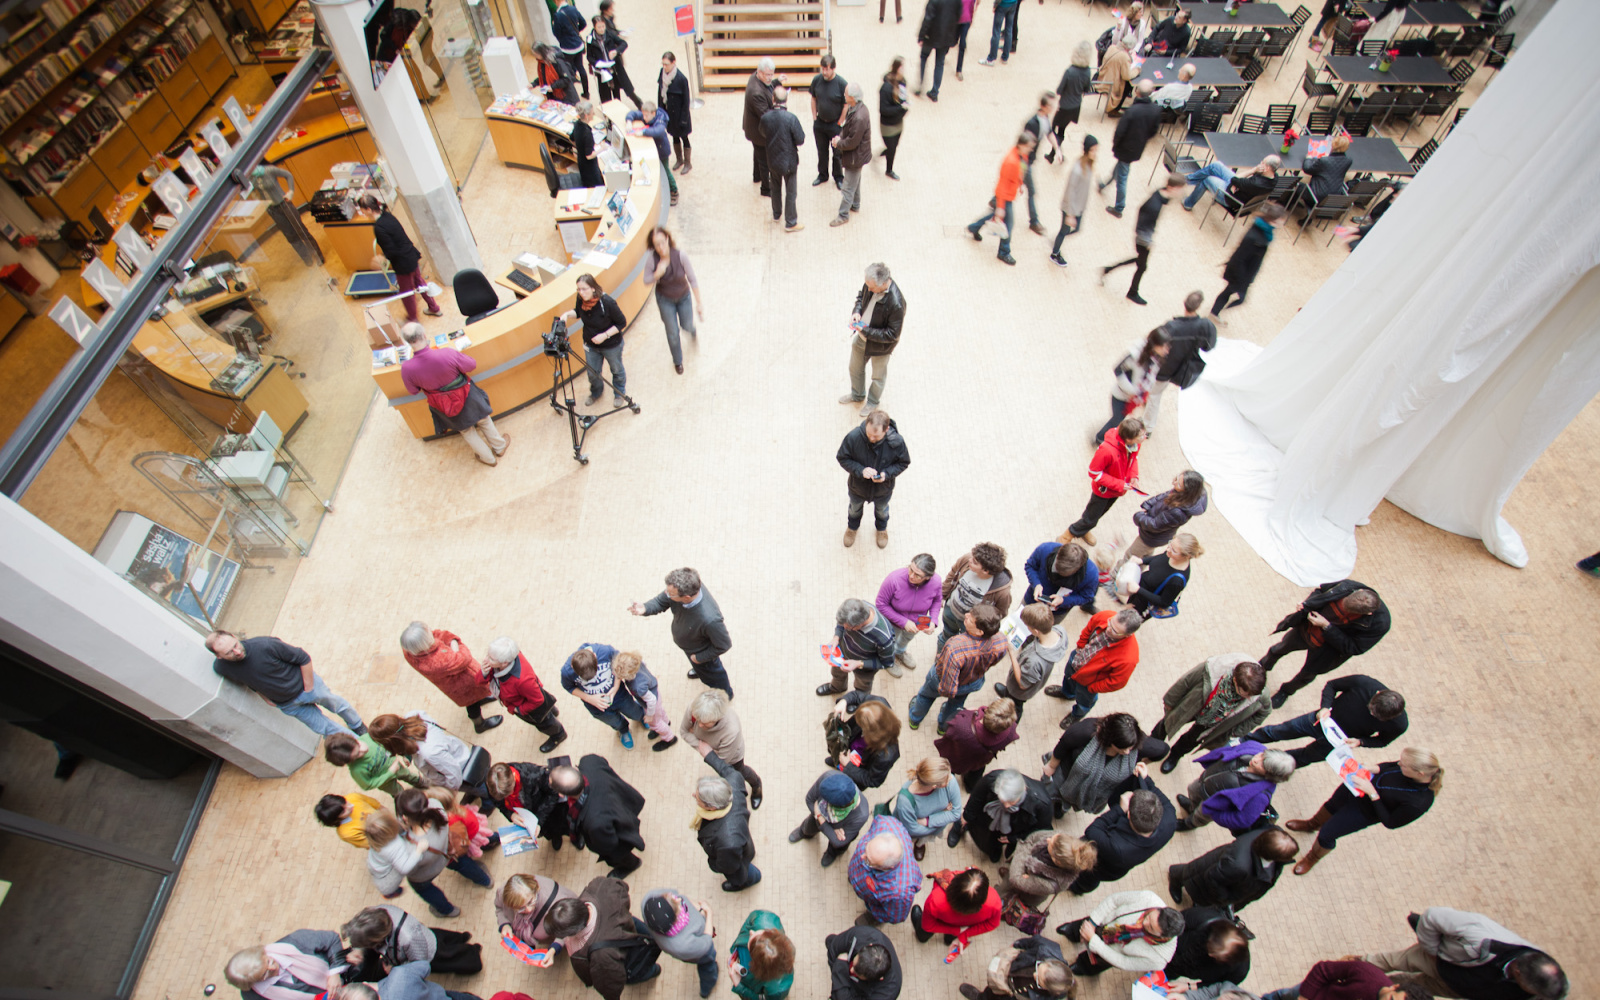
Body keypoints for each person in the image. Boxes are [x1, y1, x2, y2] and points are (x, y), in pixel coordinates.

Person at [1286, 747, 1442, 876]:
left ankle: (1312, 858)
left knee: (1328, 833)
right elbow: (1390, 766)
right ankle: (1312, 824)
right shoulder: (1408, 766)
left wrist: (1372, 793)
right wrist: (1373, 768)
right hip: (1359, 785)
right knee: (1332, 805)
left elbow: (1391, 822)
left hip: (1365, 811)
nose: (1399, 763)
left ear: (1419, 774)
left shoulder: (1419, 803)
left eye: (1404, 765)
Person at [1361, 907, 1568, 1000]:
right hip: (1437, 959)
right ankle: (1350, 970)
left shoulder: (1542, 988)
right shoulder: (1481, 935)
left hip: (1455, 987)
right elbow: (1433, 917)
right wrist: (1432, 950)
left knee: (1402, 989)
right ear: (1519, 972)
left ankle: (1366, 992)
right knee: (1383, 962)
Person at [207, 631, 364, 739]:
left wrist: (309, 689)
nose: (237, 652)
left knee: (337, 705)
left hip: (308, 688)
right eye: (229, 652)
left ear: (234, 636)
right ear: (219, 656)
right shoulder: (221, 668)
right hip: (288, 704)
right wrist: (267, 699)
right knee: (325, 728)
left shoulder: (265, 645)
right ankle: (361, 745)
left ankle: (357, 726)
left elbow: (303, 658)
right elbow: (248, 681)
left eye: (235, 645)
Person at [1260, 580, 1392, 708]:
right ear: (1357, 592)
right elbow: (1321, 590)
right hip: (1307, 629)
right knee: (1279, 648)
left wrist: (1327, 627)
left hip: (1327, 650)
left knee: (1306, 675)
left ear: (1368, 614)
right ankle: (1263, 667)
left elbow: (1354, 648)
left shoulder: (1380, 625)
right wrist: (1307, 603)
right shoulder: (1347, 586)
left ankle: (1286, 691)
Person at [397, 325, 508, 466]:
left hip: (443, 405)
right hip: (467, 396)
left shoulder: (406, 368)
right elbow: (471, 365)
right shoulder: (447, 353)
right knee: (484, 420)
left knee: (466, 431)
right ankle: (500, 447)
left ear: (407, 342)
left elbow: (413, 391)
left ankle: (488, 459)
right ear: (424, 335)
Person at [1250, 675, 1408, 769]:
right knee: (1278, 731)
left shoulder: (1399, 725)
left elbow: (1382, 741)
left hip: (1338, 741)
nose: (1371, 714)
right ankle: (1246, 740)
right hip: (1319, 720)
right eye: (1371, 709)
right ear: (1378, 693)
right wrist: (1325, 707)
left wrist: (1360, 742)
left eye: (1376, 716)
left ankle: (1268, 767)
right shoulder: (1364, 683)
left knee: (1303, 758)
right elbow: (1332, 685)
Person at [544, 878, 663, 1000]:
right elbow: (623, 886)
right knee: (652, 938)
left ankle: (653, 971)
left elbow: (608, 984)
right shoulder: (598, 886)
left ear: (574, 931)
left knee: (643, 970)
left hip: (628, 959)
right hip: (633, 928)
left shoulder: (592, 954)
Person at [1153, 655, 1271, 773]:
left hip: (1212, 723)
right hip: (1193, 705)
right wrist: (1171, 700)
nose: (1250, 698)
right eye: (1246, 694)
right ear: (1235, 680)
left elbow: (1264, 711)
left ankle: (1175, 755)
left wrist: (1238, 731)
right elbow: (1187, 680)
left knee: (1191, 740)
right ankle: (1153, 743)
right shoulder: (1215, 667)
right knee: (1169, 721)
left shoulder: (1258, 693)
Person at [629, 567, 734, 697]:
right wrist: (645, 608)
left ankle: (726, 694)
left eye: (670, 594)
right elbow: (661, 601)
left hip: (700, 652)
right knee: (701, 669)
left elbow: (724, 645)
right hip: (691, 646)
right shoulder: (681, 590)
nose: (667, 594)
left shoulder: (710, 620)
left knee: (714, 675)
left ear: (686, 597)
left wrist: (699, 658)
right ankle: (699, 670)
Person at [909, 605, 1013, 734]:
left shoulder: (956, 647)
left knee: (926, 696)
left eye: (971, 619)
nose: (966, 615)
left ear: (980, 632)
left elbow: (948, 688)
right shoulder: (1002, 640)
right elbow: (994, 661)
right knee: (954, 705)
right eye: (970, 613)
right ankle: (942, 727)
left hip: (943, 681)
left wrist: (943, 691)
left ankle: (915, 719)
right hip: (972, 682)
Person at [1042, 713, 1167, 815]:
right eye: (1123, 748)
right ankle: (1058, 805)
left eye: (1130, 748)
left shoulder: (1136, 742)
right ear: (1110, 740)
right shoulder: (1086, 731)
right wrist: (1052, 766)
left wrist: (1143, 763)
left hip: (1094, 791)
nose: (1128, 752)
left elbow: (1163, 749)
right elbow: (1064, 743)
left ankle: (1062, 808)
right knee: (1053, 794)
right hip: (1067, 774)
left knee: (1063, 806)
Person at [1071, 779, 1174, 894]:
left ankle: (1078, 888)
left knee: (1089, 877)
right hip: (1120, 864)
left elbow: (1092, 831)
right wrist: (1146, 779)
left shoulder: (1118, 848)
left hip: (1104, 865)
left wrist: (1119, 809)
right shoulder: (1170, 819)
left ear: (1128, 814)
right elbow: (1158, 796)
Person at [549, 756, 648, 877]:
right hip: (621, 799)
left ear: (561, 794)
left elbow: (609, 846)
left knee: (620, 855)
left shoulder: (594, 823)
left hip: (616, 825)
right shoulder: (589, 762)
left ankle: (632, 864)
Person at [1041, 608, 1144, 722]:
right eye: (1110, 623)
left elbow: (1117, 682)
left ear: (1128, 635)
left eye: (1115, 631)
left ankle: (1076, 715)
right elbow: (1089, 627)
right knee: (1068, 679)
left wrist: (1093, 688)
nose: (1108, 629)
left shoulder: (1128, 658)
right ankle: (1067, 694)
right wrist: (1080, 647)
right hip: (1077, 659)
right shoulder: (1106, 615)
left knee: (1084, 702)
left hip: (1089, 682)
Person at [362, 805, 463, 918]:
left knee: (424, 889)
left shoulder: (376, 839)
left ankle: (447, 910)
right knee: (400, 889)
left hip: (377, 869)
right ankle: (391, 893)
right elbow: (404, 867)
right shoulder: (394, 847)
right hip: (388, 879)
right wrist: (418, 850)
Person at [398, 623, 500, 734]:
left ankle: (482, 698)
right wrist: (455, 645)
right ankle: (480, 724)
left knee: (477, 696)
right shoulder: (436, 662)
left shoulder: (411, 650)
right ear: (424, 643)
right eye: (428, 634)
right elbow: (463, 658)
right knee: (472, 703)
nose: (432, 632)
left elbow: (440, 634)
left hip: (454, 681)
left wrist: (452, 643)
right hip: (463, 685)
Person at [1103, 171, 1187, 305]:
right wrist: (1148, 242)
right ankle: (1132, 292)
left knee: (1139, 262)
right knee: (1142, 266)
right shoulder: (1154, 206)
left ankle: (1108, 269)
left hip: (1144, 236)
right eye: (1180, 189)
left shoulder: (1161, 194)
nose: (1182, 192)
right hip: (1143, 240)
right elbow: (1143, 222)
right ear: (1171, 188)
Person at [1167, 826, 1298, 911]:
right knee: (1192, 874)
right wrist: (1224, 899)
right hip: (1220, 877)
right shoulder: (1239, 866)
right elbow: (1212, 878)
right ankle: (1175, 876)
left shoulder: (1272, 834)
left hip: (1226, 869)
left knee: (1194, 871)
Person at [1175, 741, 1294, 832]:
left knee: (1200, 816)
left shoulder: (1260, 796)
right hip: (1205, 782)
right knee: (1192, 790)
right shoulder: (1255, 747)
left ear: (1270, 775)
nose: (1257, 759)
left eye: (1263, 764)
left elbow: (1242, 820)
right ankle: (1191, 807)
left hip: (1212, 803)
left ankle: (1189, 824)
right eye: (1262, 755)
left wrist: (1214, 813)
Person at [356, 195, 440, 323]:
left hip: (403, 265)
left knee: (407, 293)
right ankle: (434, 308)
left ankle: (413, 319)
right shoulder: (388, 216)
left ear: (368, 209)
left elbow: (391, 250)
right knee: (420, 283)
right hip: (411, 256)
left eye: (362, 209)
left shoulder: (379, 228)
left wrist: (381, 258)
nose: (361, 212)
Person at [839, 263, 907, 419]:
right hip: (863, 337)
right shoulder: (870, 284)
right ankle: (857, 395)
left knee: (878, 376)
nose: (868, 289)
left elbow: (892, 334)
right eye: (867, 285)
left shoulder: (896, 303)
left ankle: (872, 402)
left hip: (880, 347)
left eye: (871, 287)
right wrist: (857, 312)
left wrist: (865, 331)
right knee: (855, 368)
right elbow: (860, 297)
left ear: (883, 283)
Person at [1058, 891, 1183, 976]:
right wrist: (1092, 922)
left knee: (1096, 962)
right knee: (1085, 926)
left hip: (1113, 952)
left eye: (1150, 928)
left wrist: (1095, 943)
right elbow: (1114, 900)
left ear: (1161, 936)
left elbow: (1124, 962)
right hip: (1106, 924)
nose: (1144, 922)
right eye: (1149, 916)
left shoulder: (1159, 960)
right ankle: (1074, 931)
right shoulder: (1149, 898)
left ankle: (1083, 966)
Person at [692, 742, 762, 891]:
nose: (694, 796)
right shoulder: (734, 783)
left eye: (698, 799)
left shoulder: (727, 841)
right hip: (743, 840)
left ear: (711, 807)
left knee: (739, 874)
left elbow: (728, 866)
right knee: (745, 855)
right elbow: (727, 770)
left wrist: (713, 864)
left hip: (735, 855)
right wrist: (709, 754)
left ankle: (745, 882)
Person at [1064, 417, 1145, 545]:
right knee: (1091, 517)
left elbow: (1133, 459)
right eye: (1141, 436)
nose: (1144, 437)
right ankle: (1070, 533)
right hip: (1104, 491)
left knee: (1097, 515)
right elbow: (1094, 472)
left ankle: (1084, 530)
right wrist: (1120, 484)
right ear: (1129, 439)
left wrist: (1134, 476)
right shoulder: (1107, 450)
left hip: (1117, 490)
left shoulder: (1135, 445)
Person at [342, 902, 481, 975]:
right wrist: (359, 950)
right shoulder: (376, 914)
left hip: (428, 950)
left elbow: (420, 962)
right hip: (423, 934)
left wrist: (396, 969)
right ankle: (461, 937)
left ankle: (473, 952)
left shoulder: (408, 938)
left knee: (451, 957)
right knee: (443, 937)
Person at [368, 712, 486, 798]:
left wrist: (449, 792)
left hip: (461, 771)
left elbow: (454, 775)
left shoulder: (429, 753)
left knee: (480, 788)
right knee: (473, 788)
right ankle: (474, 793)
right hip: (455, 752)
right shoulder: (414, 714)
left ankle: (487, 799)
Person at [395, 787, 493, 891]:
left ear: (405, 818)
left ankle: (484, 880)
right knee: (465, 862)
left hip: (449, 856)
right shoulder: (438, 808)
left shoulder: (419, 842)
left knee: (463, 865)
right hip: (452, 846)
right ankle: (485, 879)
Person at [682, 689, 765, 807]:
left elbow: (722, 763)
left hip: (732, 756)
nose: (699, 725)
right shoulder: (695, 708)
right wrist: (705, 749)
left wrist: (707, 752)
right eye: (697, 720)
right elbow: (684, 732)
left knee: (739, 772)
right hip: (717, 751)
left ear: (717, 718)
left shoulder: (731, 731)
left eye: (705, 724)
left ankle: (756, 785)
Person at [1143, 297, 1217, 428]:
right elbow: (1208, 347)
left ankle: (1148, 426)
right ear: (1198, 306)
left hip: (1163, 369)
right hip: (1182, 369)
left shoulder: (1172, 327)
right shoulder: (1204, 326)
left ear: (1185, 305)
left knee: (1154, 396)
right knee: (1155, 393)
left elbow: (1152, 340)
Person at [955, 767, 1054, 863]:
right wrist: (967, 815)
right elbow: (977, 796)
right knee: (985, 835)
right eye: (1003, 800)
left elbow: (1040, 830)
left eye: (1011, 802)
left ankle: (996, 849)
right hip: (990, 818)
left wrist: (1015, 838)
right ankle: (990, 849)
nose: (1006, 806)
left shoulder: (1042, 805)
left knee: (1002, 842)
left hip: (1017, 828)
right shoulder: (992, 779)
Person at [560, 273, 628, 409]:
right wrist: (567, 314)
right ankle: (596, 392)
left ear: (592, 288)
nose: (581, 292)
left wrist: (605, 335)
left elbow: (622, 322)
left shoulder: (607, 302)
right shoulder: (581, 299)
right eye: (578, 289)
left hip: (611, 345)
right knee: (592, 373)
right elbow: (578, 312)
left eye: (584, 289)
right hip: (591, 345)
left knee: (616, 369)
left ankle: (619, 393)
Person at [1116, 471, 1207, 571]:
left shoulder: (1177, 512)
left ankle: (1114, 577)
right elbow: (1164, 496)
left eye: (1179, 483)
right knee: (1143, 557)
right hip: (1155, 536)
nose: (1174, 483)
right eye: (1176, 478)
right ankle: (1135, 573)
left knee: (1130, 557)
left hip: (1150, 537)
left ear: (1186, 491)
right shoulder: (1183, 495)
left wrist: (1139, 516)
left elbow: (1154, 525)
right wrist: (1148, 504)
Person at [641, 226, 701, 375]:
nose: (660, 247)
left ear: (667, 239)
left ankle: (692, 331)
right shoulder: (652, 260)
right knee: (673, 332)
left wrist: (699, 303)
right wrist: (657, 274)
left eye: (662, 242)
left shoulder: (680, 256)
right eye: (656, 245)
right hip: (665, 299)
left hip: (683, 296)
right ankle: (678, 361)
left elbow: (692, 279)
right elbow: (646, 280)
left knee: (686, 325)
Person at [1094, 327, 1170, 444]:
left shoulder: (1155, 357)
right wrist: (1133, 391)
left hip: (1133, 396)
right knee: (1117, 419)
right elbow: (1117, 369)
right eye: (1164, 347)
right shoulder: (1135, 355)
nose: (1167, 350)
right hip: (1122, 396)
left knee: (1119, 419)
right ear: (1155, 344)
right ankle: (1100, 438)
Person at [967, 132, 1033, 266]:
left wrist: (1019, 184)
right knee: (1008, 224)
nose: (1030, 149)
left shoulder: (1021, 155)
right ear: (1021, 145)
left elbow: (1020, 172)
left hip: (1006, 194)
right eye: (1029, 147)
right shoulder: (1011, 161)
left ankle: (974, 228)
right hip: (1004, 196)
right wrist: (1001, 207)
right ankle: (1004, 252)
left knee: (992, 215)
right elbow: (1003, 184)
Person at [1211, 203, 1287, 320]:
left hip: (1246, 272)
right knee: (1233, 294)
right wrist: (1242, 281)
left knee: (1234, 294)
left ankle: (1215, 312)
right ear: (1273, 221)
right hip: (1239, 273)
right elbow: (1240, 259)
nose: (1283, 223)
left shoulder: (1265, 231)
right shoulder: (1254, 237)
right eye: (1281, 221)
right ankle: (1214, 313)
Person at [1100, 80, 1162, 220]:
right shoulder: (1155, 110)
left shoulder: (1131, 111)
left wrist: (1115, 145)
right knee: (1121, 168)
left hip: (1125, 149)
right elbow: (1153, 131)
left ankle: (1119, 207)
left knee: (1122, 177)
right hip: (1137, 148)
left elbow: (1119, 132)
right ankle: (1104, 184)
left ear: (1137, 92)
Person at [994, 603, 1067, 720]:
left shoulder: (1035, 661)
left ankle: (1012, 721)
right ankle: (1007, 693)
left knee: (1015, 706)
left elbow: (1022, 684)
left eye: (1027, 626)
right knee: (1009, 693)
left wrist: (1012, 654)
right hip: (1017, 684)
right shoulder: (1059, 630)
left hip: (1019, 692)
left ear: (1036, 631)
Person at [641, 891, 719, 999]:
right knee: (707, 966)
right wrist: (708, 913)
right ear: (674, 920)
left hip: (691, 947)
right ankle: (706, 989)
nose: (678, 899)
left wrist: (698, 908)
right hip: (699, 953)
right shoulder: (682, 945)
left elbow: (677, 895)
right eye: (677, 906)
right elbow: (706, 941)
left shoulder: (649, 901)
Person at [224, 931, 344, 1000]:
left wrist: (335, 973)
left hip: (348, 982)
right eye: (264, 974)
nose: (273, 968)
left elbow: (332, 940)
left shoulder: (293, 942)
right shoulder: (253, 995)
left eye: (268, 961)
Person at [848, 816, 922, 926]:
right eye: (867, 848)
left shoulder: (900, 893)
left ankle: (872, 918)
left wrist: (872, 908)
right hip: (858, 876)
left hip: (872, 901)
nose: (862, 857)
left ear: (887, 867)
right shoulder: (885, 823)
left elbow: (894, 915)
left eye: (868, 861)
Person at [938, 542, 1014, 649]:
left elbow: (999, 614)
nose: (970, 560)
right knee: (946, 636)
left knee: (963, 646)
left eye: (974, 562)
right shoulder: (967, 560)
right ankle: (940, 658)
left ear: (985, 570)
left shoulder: (1002, 593)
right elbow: (953, 574)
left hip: (970, 624)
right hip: (951, 610)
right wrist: (942, 595)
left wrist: (979, 626)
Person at [935, 698, 1020, 792]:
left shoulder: (962, 726)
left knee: (950, 768)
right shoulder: (1010, 733)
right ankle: (969, 788)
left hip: (956, 755)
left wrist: (967, 711)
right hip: (980, 759)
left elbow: (948, 726)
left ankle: (948, 783)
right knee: (975, 773)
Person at [876, 554, 943, 675]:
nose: (911, 576)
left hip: (917, 623)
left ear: (928, 577)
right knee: (888, 642)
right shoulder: (894, 579)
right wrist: (904, 622)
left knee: (907, 638)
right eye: (910, 569)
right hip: (892, 621)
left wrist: (933, 620)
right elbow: (881, 604)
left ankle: (900, 652)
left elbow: (937, 600)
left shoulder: (936, 582)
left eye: (917, 575)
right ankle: (888, 660)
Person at [790, 769, 870, 867]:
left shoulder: (861, 814)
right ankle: (805, 832)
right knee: (809, 826)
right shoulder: (829, 777)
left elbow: (838, 842)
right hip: (822, 819)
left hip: (822, 817)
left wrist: (820, 816)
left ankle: (832, 853)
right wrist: (829, 826)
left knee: (837, 847)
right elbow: (810, 800)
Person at [890, 756, 963, 860]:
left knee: (924, 838)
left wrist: (928, 821)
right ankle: (918, 844)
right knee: (914, 838)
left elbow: (956, 813)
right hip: (918, 829)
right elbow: (913, 829)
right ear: (934, 786)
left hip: (927, 827)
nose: (951, 778)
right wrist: (943, 817)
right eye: (946, 779)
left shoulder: (949, 779)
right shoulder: (905, 801)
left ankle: (920, 844)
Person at [821, 597, 900, 694]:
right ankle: (837, 688)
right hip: (842, 653)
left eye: (848, 627)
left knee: (862, 686)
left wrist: (858, 664)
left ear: (859, 624)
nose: (844, 628)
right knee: (837, 673)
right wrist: (836, 637)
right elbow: (841, 623)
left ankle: (858, 700)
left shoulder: (884, 638)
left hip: (865, 667)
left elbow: (887, 663)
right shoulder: (857, 607)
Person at [913, 867, 1002, 951]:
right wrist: (963, 933)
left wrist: (957, 930)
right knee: (952, 935)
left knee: (923, 931)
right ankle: (948, 940)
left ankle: (922, 938)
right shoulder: (994, 902)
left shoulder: (935, 900)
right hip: (965, 925)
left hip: (942, 920)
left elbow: (928, 926)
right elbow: (992, 924)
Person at [826, 692, 903, 790]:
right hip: (850, 747)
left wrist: (848, 766)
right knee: (839, 754)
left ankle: (842, 767)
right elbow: (857, 695)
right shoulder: (876, 705)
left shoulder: (886, 756)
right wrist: (844, 701)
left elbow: (872, 780)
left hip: (859, 766)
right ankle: (836, 761)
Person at [961, 935, 1076, 1000]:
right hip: (1012, 971)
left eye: (1039, 981)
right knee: (993, 990)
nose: (1034, 974)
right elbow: (1031, 941)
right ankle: (981, 997)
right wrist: (1016, 945)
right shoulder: (1046, 948)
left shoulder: (1052, 996)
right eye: (1038, 967)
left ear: (1048, 989)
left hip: (1013, 995)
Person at [485, 758, 568, 847]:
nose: (507, 797)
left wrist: (539, 821)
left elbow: (553, 794)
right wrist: (510, 814)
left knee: (556, 826)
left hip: (543, 811)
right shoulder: (493, 786)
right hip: (525, 816)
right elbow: (499, 803)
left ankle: (557, 835)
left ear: (513, 776)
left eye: (510, 792)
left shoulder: (533, 774)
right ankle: (552, 836)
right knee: (546, 833)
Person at [1001, 830, 1098, 905]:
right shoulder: (1065, 841)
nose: (1048, 839)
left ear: (1056, 861)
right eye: (1053, 838)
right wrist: (1022, 872)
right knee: (1012, 872)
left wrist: (1023, 853)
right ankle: (1008, 873)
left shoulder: (1050, 884)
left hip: (1028, 894)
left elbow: (1015, 878)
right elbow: (1033, 837)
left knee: (1003, 893)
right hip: (1026, 874)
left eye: (1050, 844)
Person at [324, 730, 423, 801]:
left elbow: (389, 743)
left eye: (358, 745)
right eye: (357, 755)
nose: (363, 750)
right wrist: (390, 773)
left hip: (397, 766)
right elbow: (368, 784)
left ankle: (423, 784)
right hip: (385, 783)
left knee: (410, 776)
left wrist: (404, 754)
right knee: (400, 794)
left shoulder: (369, 737)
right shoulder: (356, 771)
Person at [1164, 909, 1251, 987]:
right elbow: (1172, 926)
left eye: (1218, 956)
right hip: (1168, 951)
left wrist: (1190, 987)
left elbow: (1218, 987)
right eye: (1210, 948)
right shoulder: (1202, 917)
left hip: (1179, 970)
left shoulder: (1239, 971)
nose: (1210, 954)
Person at [1259, 960, 1429, 1000]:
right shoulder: (1367, 974)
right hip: (1313, 995)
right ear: (1395, 987)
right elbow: (1322, 969)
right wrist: (1304, 998)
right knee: (1282, 997)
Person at [497, 873, 578, 957]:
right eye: (520, 908)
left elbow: (567, 926)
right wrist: (505, 924)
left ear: (536, 889)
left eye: (530, 902)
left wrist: (555, 947)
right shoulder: (503, 894)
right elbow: (499, 908)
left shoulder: (557, 904)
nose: (528, 910)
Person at [761, 85, 806, 232]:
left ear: (773, 99)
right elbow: (800, 139)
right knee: (791, 192)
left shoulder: (765, 117)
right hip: (789, 162)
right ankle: (790, 222)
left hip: (772, 159)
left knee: (775, 187)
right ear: (786, 99)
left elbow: (762, 132)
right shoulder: (791, 118)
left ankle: (776, 213)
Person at [1022, 540, 1099, 626]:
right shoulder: (1045, 549)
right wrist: (1036, 584)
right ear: (1057, 555)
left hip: (1056, 613)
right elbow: (1030, 566)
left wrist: (1064, 601)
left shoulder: (1092, 575)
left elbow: (1086, 597)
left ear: (1077, 569)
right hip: (1030, 601)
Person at [1049, 134, 1097, 267]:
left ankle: (1058, 239)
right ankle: (1055, 253)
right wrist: (1069, 214)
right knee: (1064, 230)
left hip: (1079, 207)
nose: (1095, 153)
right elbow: (1070, 191)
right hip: (1070, 208)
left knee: (1076, 229)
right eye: (1093, 150)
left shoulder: (1087, 164)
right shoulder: (1077, 169)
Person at [831, 82, 872, 226]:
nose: (844, 95)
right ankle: (855, 204)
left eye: (846, 94)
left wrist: (838, 143)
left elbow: (853, 142)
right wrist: (840, 136)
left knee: (848, 186)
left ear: (853, 98)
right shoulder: (855, 108)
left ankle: (843, 215)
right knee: (856, 179)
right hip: (858, 155)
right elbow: (848, 129)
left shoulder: (859, 116)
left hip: (856, 157)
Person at [1181, 154, 1281, 213]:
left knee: (1207, 179)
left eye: (1262, 163)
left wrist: (1254, 170)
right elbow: (1237, 181)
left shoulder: (1256, 183)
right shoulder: (1274, 177)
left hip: (1229, 197)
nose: (1260, 164)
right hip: (1236, 188)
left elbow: (1235, 179)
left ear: (1267, 168)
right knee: (1216, 165)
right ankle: (1187, 180)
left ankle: (1188, 203)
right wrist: (1236, 183)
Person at [729, 911, 794, 1000]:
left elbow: (762, 998)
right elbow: (746, 927)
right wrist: (735, 950)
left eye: (751, 946)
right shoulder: (762, 918)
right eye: (758, 933)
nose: (751, 932)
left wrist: (739, 986)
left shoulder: (778, 989)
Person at [1019, 92, 1059, 235]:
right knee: (1032, 191)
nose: (1053, 108)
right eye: (1050, 105)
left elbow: (1049, 133)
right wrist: (1023, 168)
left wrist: (1057, 149)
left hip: (1028, 161)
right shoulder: (1032, 123)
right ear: (1043, 106)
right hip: (1025, 162)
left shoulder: (1045, 119)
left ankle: (997, 199)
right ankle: (1034, 222)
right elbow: (1023, 147)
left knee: (1013, 185)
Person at [826, 925, 902, 1000]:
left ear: (880, 978)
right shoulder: (862, 934)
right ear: (870, 945)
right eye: (854, 964)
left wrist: (839, 970)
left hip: (863, 991)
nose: (851, 970)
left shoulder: (888, 992)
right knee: (832, 941)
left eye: (857, 973)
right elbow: (832, 951)